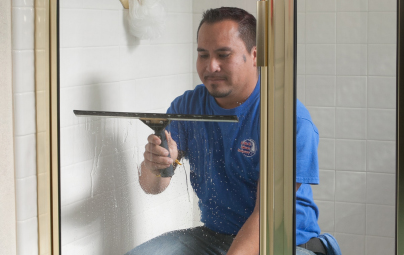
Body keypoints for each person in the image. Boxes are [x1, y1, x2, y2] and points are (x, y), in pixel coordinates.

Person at [127, 7, 332, 255]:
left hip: (282, 243)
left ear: (255, 55)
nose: (211, 66)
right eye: (203, 55)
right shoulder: (187, 107)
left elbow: (265, 217)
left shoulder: (287, 119)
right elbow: (152, 187)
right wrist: (155, 166)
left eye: (223, 55)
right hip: (213, 237)